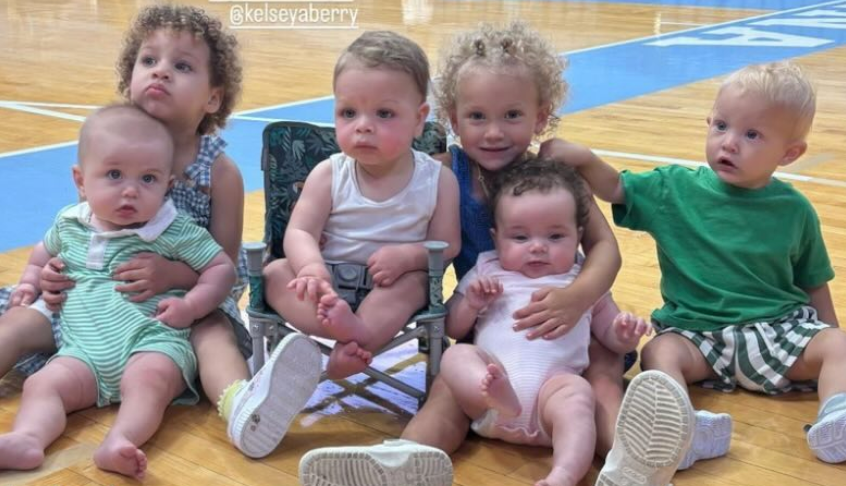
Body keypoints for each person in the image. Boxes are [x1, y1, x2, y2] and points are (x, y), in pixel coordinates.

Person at [0, 4, 320, 460]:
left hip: (175, 310)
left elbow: (226, 268)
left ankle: (243, 408)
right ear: (129, 75)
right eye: (149, 61)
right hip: (92, 300)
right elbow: (77, 225)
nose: (161, 72)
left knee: (214, 335)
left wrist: (175, 277)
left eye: (182, 65)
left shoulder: (218, 171)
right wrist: (48, 272)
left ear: (212, 97)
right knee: (16, 323)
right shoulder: (112, 139)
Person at [299, 22, 693, 486]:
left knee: (602, 377)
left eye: (511, 115)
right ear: (450, 117)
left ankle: (638, 461)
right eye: (477, 117)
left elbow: (605, 248)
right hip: (489, 328)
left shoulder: (554, 177)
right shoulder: (439, 172)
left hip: (571, 323)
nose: (493, 132)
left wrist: (577, 298)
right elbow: (387, 185)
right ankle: (402, 460)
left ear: (540, 115)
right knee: (448, 388)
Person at [560, 61, 846, 476]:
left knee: (838, 344)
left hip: (776, 331)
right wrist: (584, 158)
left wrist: (830, 344)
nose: (729, 143)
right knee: (658, 351)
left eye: (751, 135)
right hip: (698, 337)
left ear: (790, 153)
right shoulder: (673, 188)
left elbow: (813, 282)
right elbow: (615, 187)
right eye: (721, 126)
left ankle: (836, 416)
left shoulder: (795, 210)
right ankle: (684, 430)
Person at [0, 104, 235, 478]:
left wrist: (191, 305)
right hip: (82, 351)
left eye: (148, 179)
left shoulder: (174, 230)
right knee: (44, 384)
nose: (131, 192)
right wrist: (29, 282)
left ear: (168, 185)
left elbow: (221, 268)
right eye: (115, 175)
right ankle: (28, 438)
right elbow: (41, 255)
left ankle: (120, 441)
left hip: (152, 341)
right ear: (81, 181)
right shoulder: (70, 223)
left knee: (150, 380)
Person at [262, 30, 460, 380]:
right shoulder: (329, 173)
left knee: (415, 284)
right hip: (327, 282)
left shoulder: (438, 179)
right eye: (348, 112)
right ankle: (353, 338)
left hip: (390, 283)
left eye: (384, 113)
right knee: (275, 274)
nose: (363, 127)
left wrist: (408, 257)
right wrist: (310, 267)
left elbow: (448, 245)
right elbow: (300, 231)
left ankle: (351, 339)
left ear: (418, 119)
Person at [441, 157, 652, 486]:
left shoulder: (582, 280)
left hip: (550, 406)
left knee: (578, 394)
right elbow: (453, 327)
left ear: (577, 236)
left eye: (555, 237)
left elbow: (610, 336)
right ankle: (498, 396)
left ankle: (563, 474)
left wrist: (623, 334)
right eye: (521, 238)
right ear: (496, 239)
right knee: (455, 356)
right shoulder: (486, 269)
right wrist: (471, 303)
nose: (538, 247)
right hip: (486, 405)